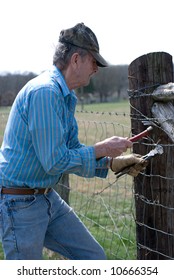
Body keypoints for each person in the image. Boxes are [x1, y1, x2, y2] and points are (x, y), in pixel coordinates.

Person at [0, 23, 147, 260]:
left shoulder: (64, 95)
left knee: (93, 258)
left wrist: (110, 162)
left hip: (45, 196)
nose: (96, 69)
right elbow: (55, 162)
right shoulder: (45, 93)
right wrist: (101, 148)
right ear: (76, 59)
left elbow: (71, 150)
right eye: (94, 62)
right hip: (19, 203)